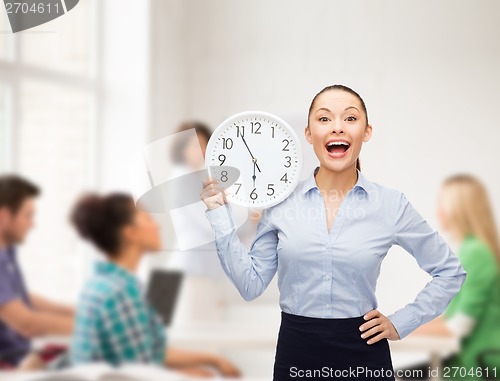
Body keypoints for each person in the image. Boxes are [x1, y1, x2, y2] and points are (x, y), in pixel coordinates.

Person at [200, 84, 468, 380]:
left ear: (366, 132)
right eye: (324, 119)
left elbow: (450, 272)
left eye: (350, 119)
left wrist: (400, 322)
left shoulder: (390, 205)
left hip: (365, 355)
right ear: (308, 133)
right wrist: (218, 214)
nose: (337, 128)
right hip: (297, 354)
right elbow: (250, 285)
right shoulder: (279, 205)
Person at [69, 192, 241, 378]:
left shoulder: (106, 283)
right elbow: (139, 370)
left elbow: (149, 352)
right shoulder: (121, 292)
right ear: (130, 233)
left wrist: (211, 360)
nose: (156, 225)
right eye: (147, 218)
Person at [398, 174, 500, 380]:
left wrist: (398, 329)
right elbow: (452, 317)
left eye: (443, 204)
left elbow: (458, 326)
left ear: (459, 210)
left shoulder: (475, 253)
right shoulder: (473, 250)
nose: (438, 211)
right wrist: (402, 326)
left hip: (478, 364)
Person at [0, 175, 74, 369]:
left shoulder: (7, 253)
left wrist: (76, 311)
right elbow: (26, 323)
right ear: (4, 216)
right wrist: (93, 327)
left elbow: (20, 299)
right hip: (9, 365)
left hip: (21, 356)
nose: (32, 224)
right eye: (28, 215)